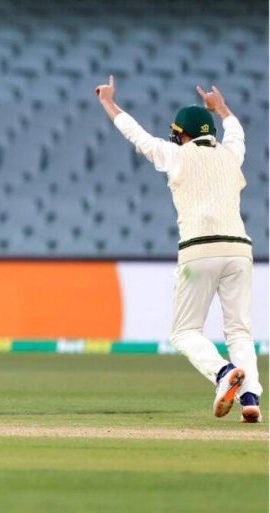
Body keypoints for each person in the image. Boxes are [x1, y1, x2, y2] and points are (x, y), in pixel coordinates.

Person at [95, 75, 261, 423]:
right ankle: (250, 398)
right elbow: (237, 132)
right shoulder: (231, 155)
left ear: (182, 134)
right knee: (239, 331)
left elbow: (136, 135)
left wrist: (108, 102)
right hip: (239, 249)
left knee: (184, 332)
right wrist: (222, 108)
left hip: (198, 250)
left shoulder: (175, 154)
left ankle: (223, 373)